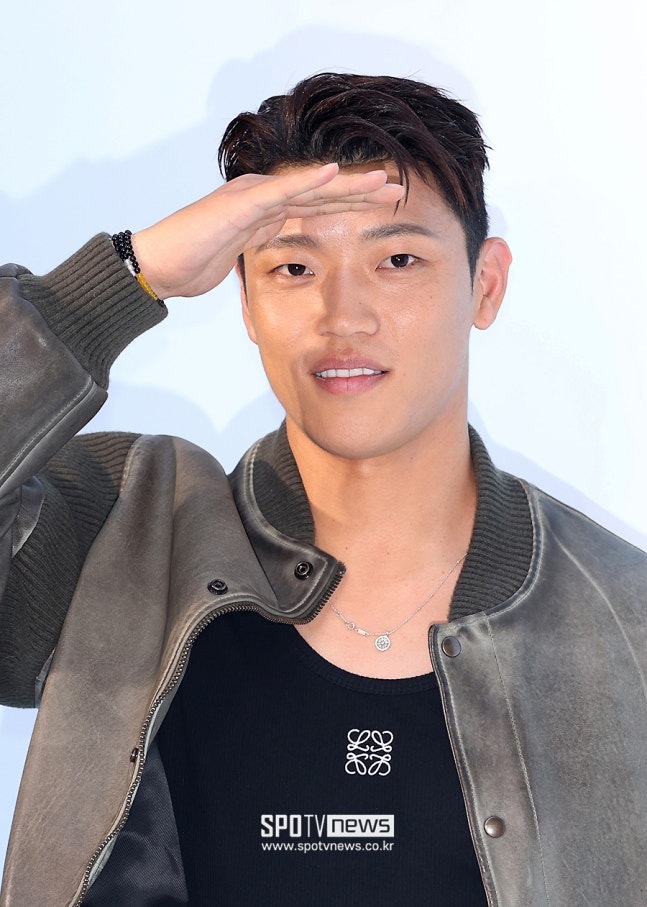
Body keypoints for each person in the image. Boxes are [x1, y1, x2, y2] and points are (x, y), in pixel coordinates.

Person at [0, 72, 645, 907]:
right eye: (295, 266)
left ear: (485, 285)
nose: (343, 315)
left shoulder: (623, 624)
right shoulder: (124, 534)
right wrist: (126, 277)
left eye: (397, 260)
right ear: (245, 298)